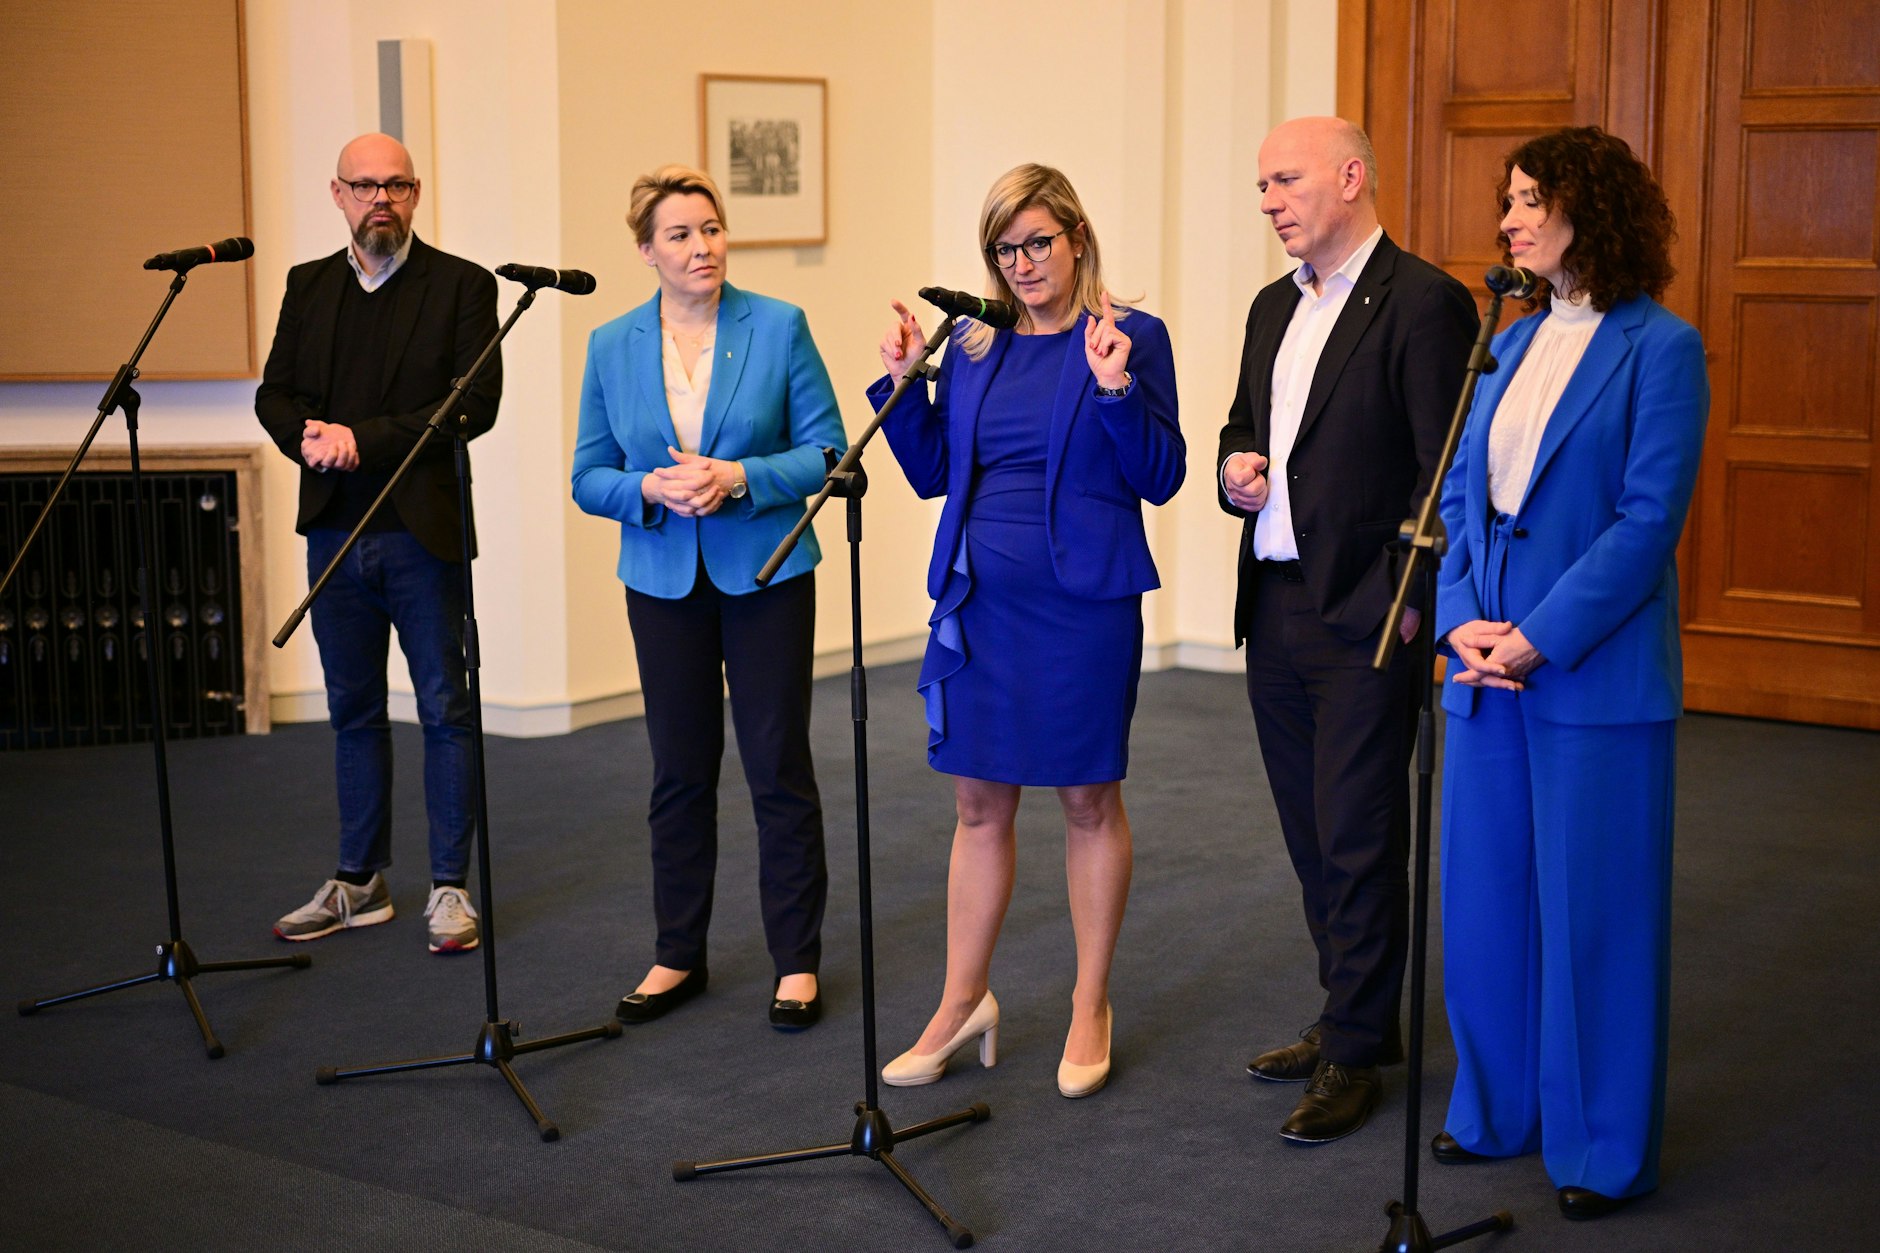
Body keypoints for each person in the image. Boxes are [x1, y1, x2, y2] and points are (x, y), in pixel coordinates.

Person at [1430, 126, 1707, 1222]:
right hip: (1485, 672)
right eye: (1506, 200)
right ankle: (1495, 1107)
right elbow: (1457, 501)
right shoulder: (1501, 335)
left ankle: (1598, 1144)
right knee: (1487, 897)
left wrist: (1534, 635)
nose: (1507, 219)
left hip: (1587, 674)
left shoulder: (1659, 347)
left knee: (1592, 911)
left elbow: (1645, 526)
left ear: (1587, 208)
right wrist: (1459, 625)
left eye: (1528, 198)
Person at [870, 163, 1183, 1099]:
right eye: (1004, 250)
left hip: (1082, 606)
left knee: (1087, 801)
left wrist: (1118, 392)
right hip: (980, 604)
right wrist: (899, 388)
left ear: (1077, 237)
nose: (1021, 264)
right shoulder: (971, 343)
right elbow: (933, 474)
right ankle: (963, 999)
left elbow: (1162, 474)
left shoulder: (1131, 337)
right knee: (978, 805)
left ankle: (1091, 1003)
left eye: (1037, 243)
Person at [1217, 117, 1478, 1142]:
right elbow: (1246, 423)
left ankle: (1355, 1048)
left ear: (1350, 177)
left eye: (1283, 179)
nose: (1268, 199)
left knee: (1361, 830)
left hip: (1368, 610)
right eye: (1260, 184)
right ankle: (1348, 1013)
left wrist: (1405, 594)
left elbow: (1442, 463)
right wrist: (1238, 466)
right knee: (1309, 830)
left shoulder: (1421, 302)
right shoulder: (1268, 306)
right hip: (1275, 601)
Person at [571, 165, 846, 1031]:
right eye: (682, 235)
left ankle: (796, 962)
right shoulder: (611, 344)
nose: (703, 247)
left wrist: (739, 477)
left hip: (765, 573)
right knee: (679, 772)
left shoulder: (779, 327)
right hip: (661, 580)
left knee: (777, 768)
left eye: (713, 229)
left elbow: (829, 451)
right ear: (646, 250)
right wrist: (648, 489)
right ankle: (676, 952)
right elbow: (587, 475)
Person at [257, 133, 499, 955]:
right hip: (333, 531)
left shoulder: (462, 286)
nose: (380, 200)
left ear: (417, 193)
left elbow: (474, 405)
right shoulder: (309, 285)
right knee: (353, 709)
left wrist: (362, 438)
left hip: (421, 535)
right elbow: (274, 391)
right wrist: (310, 440)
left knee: (443, 708)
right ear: (337, 194)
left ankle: (449, 887)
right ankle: (358, 880)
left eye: (395, 185)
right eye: (364, 186)